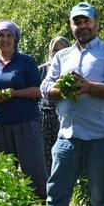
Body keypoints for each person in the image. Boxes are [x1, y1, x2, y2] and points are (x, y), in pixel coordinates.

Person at [41, 2, 104, 206]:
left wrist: (89, 87)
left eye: (86, 21)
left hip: (100, 136)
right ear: (71, 26)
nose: (82, 26)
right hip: (67, 135)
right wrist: (62, 89)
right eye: (77, 22)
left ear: (97, 23)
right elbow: (46, 87)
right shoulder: (62, 56)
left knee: (100, 196)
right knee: (57, 192)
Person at [0, 20, 47, 198]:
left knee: (34, 172)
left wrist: (14, 93)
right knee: (1, 173)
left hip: (25, 123)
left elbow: (38, 91)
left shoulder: (26, 62)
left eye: (9, 35)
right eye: (0, 35)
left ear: (15, 39)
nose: (5, 39)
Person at [38, 36, 70, 173]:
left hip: (63, 116)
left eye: (62, 50)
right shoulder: (42, 70)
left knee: (63, 154)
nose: (58, 54)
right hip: (44, 116)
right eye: (55, 50)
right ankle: (46, 187)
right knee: (45, 153)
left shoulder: (71, 72)